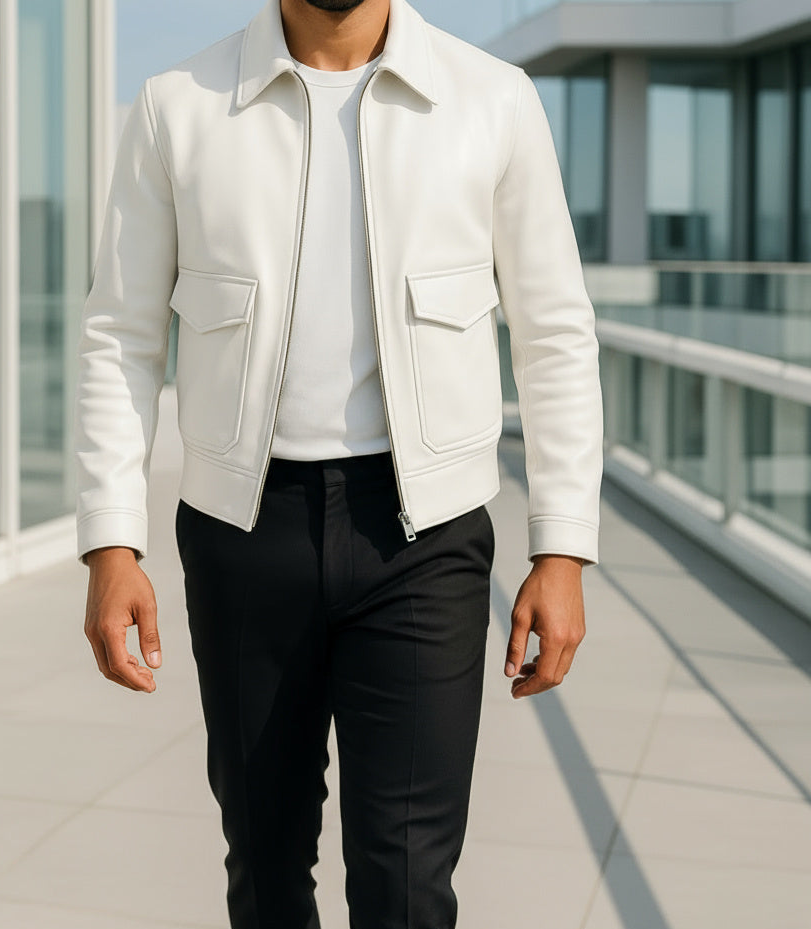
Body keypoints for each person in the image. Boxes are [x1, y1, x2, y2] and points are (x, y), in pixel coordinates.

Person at [76, 0, 603, 926]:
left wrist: (561, 548)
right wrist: (111, 542)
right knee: (266, 866)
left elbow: (555, 336)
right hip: (242, 534)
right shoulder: (177, 106)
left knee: (406, 886)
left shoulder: (494, 102)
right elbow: (118, 334)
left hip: (425, 540)